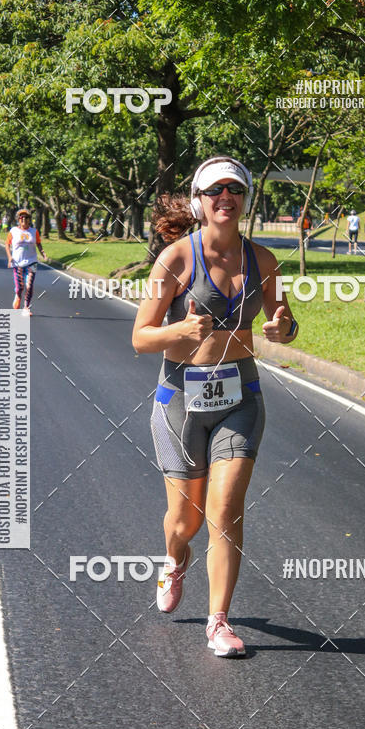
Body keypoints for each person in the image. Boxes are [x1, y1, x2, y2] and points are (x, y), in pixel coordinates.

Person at [132, 156, 298, 657]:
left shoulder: (263, 261)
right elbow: (140, 337)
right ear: (200, 202)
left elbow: (286, 322)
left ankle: (218, 622)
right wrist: (178, 331)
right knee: (187, 523)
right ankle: (174, 560)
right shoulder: (175, 260)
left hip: (240, 398)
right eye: (214, 191)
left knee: (225, 510)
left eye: (235, 190)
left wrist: (283, 327)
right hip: (180, 401)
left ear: (245, 199)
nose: (225, 197)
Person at [5, 208, 46, 316]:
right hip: (17, 263)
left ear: (29, 219)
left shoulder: (34, 231)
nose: (24, 219)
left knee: (29, 285)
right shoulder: (13, 231)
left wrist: (42, 252)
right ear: (18, 219)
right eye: (21, 217)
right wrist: (9, 257)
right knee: (19, 288)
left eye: (26, 217)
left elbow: (38, 243)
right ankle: (17, 295)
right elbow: (7, 244)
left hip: (32, 262)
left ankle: (26, 307)